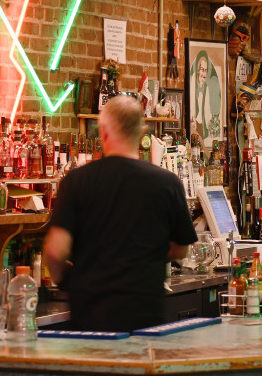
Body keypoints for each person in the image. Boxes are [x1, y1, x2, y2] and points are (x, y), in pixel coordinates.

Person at [44, 96, 198, 332]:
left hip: (90, 319)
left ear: (103, 131)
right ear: (142, 132)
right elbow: (180, 250)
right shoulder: (167, 183)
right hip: (145, 315)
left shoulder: (76, 182)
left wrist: (70, 280)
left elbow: (55, 252)